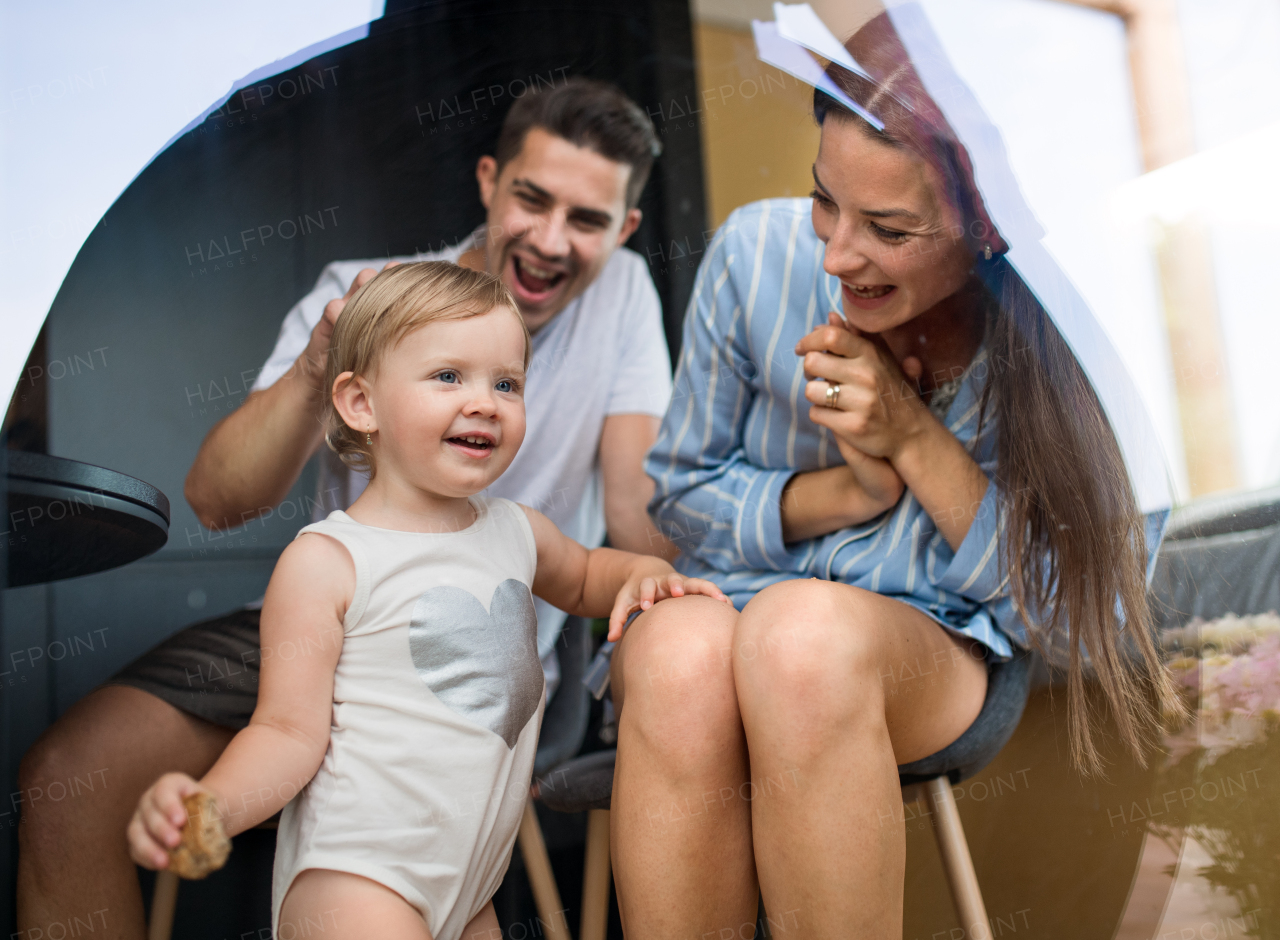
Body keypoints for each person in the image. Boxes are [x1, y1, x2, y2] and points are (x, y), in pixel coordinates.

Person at [17, 78, 674, 939]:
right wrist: (315, 368)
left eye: (507, 384)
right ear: (488, 180)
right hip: (329, 622)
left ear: (624, 230)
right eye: (532, 199)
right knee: (70, 775)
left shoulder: (620, 301)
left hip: (494, 655)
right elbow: (218, 499)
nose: (552, 241)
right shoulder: (359, 305)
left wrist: (670, 582)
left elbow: (625, 522)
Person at [608, 13, 1181, 939]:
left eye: (889, 228)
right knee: (677, 656)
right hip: (739, 601)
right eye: (824, 201)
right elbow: (680, 498)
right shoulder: (755, 256)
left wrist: (913, 439)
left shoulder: (1059, 354)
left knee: (799, 642)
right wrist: (848, 492)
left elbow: (1082, 623)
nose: (835, 254)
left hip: (936, 645)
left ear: (986, 231)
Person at [126, 262, 726, 940]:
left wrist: (643, 572)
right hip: (356, 881)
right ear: (360, 404)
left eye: (507, 383)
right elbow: (287, 734)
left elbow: (590, 574)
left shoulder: (518, 532)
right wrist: (213, 806)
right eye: (448, 376)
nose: (484, 401)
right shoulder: (328, 561)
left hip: (468, 891)